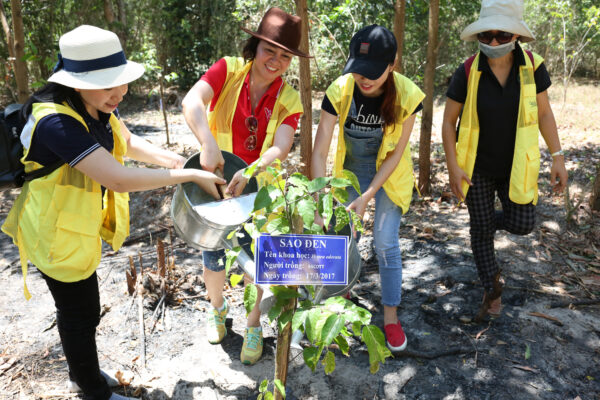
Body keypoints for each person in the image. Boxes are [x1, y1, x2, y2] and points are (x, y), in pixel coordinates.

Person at [1, 25, 224, 400]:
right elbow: (118, 179)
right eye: (107, 85)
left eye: (120, 83)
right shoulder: (56, 121)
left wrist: (181, 160)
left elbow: (130, 142)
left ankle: (82, 372)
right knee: (79, 313)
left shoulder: (95, 106)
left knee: (83, 310)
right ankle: (90, 388)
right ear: (75, 82)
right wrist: (189, 174)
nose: (118, 93)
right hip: (54, 234)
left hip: (75, 229)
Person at [181, 7, 310, 365]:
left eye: (285, 56)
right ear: (254, 46)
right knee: (214, 256)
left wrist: (252, 169)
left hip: (260, 190)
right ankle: (218, 309)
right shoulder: (227, 70)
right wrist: (207, 143)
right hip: (216, 184)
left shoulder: (289, 99)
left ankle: (254, 324)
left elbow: (281, 146)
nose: (276, 61)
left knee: (261, 261)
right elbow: (192, 102)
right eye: (270, 50)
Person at [441, 0, 568, 322]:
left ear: (516, 36)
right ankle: (492, 289)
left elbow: (544, 112)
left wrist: (558, 157)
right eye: (487, 36)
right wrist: (453, 166)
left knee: (522, 225)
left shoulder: (533, 67)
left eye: (501, 36)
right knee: (482, 233)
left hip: (517, 166)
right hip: (477, 168)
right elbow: (448, 121)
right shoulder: (468, 69)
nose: (494, 42)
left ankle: (480, 223)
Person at [311, 25, 424, 352]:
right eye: (359, 70)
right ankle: (340, 299)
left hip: (389, 173)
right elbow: (319, 152)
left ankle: (390, 317)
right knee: (342, 237)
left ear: (392, 65)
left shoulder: (407, 95)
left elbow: (397, 155)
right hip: (350, 171)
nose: (365, 78)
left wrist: (367, 196)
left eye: (373, 71)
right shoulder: (339, 91)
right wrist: (319, 202)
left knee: (385, 242)